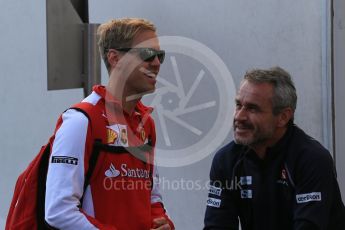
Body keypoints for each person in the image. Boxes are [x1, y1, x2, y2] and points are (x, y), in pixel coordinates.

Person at [45, 18, 174, 230]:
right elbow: (58, 210)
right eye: (147, 54)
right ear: (115, 58)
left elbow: (152, 195)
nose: (157, 63)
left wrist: (162, 222)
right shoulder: (80, 120)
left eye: (160, 56)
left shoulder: (146, 123)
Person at [204, 66, 345, 230]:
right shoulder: (227, 160)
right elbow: (217, 226)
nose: (239, 116)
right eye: (238, 105)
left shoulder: (312, 159)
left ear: (283, 117)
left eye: (252, 108)